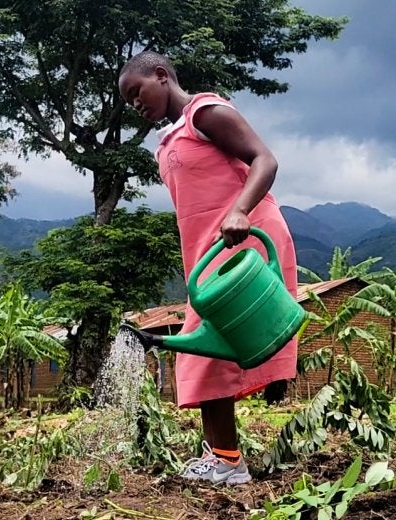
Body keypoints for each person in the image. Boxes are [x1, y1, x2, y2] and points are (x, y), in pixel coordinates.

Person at [119, 51, 298, 485]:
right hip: (210, 254)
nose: (135, 104)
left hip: (247, 239)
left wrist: (239, 211)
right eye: (128, 101)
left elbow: (264, 160)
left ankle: (226, 460)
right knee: (209, 348)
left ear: (162, 75)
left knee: (202, 354)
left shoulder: (205, 111)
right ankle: (222, 455)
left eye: (136, 92)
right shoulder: (171, 138)